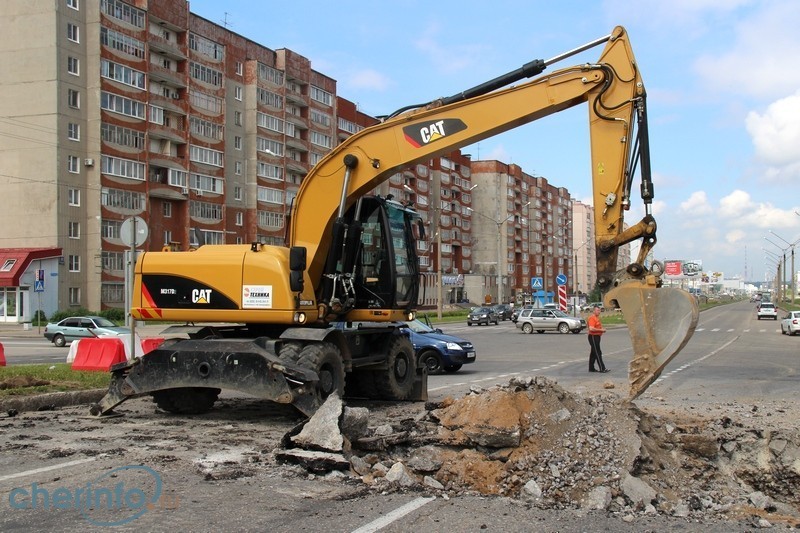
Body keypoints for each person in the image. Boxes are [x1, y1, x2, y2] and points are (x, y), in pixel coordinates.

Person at [587, 305, 609, 373]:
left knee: (593, 352)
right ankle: (602, 368)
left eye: (599, 310)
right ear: (594, 311)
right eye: (597, 310)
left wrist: (601, 330)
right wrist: (601, 330)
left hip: (597, 336)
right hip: (593, 336)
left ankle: (591, 368)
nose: (599, 312)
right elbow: (591, 328)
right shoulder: (592, 318)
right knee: (598, 352)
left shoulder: (597, 318)